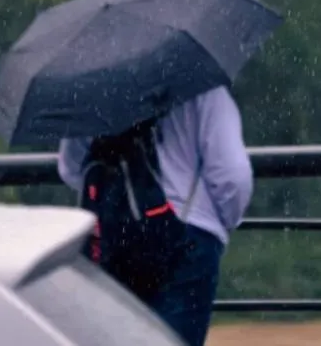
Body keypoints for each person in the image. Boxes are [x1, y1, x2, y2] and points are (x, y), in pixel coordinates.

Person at [58, 85, 253, 346]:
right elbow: (233, 177)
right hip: (188, 237)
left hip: (114, 236)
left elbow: (71, 167)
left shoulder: (93, 86)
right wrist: (220, 225)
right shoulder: (202, 84)